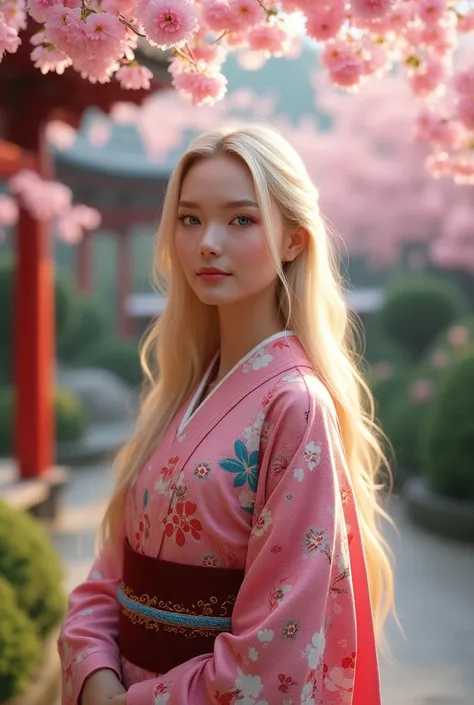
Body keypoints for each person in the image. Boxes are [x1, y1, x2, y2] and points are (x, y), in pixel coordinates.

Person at [58, 124, 394, 705]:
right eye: (190, 219)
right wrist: (93, 671)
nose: (208, 242)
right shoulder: (182, 391)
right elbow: (110, 574)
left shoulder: (296, 406)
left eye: (241, 219)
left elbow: (278, 649)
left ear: (293, 238)